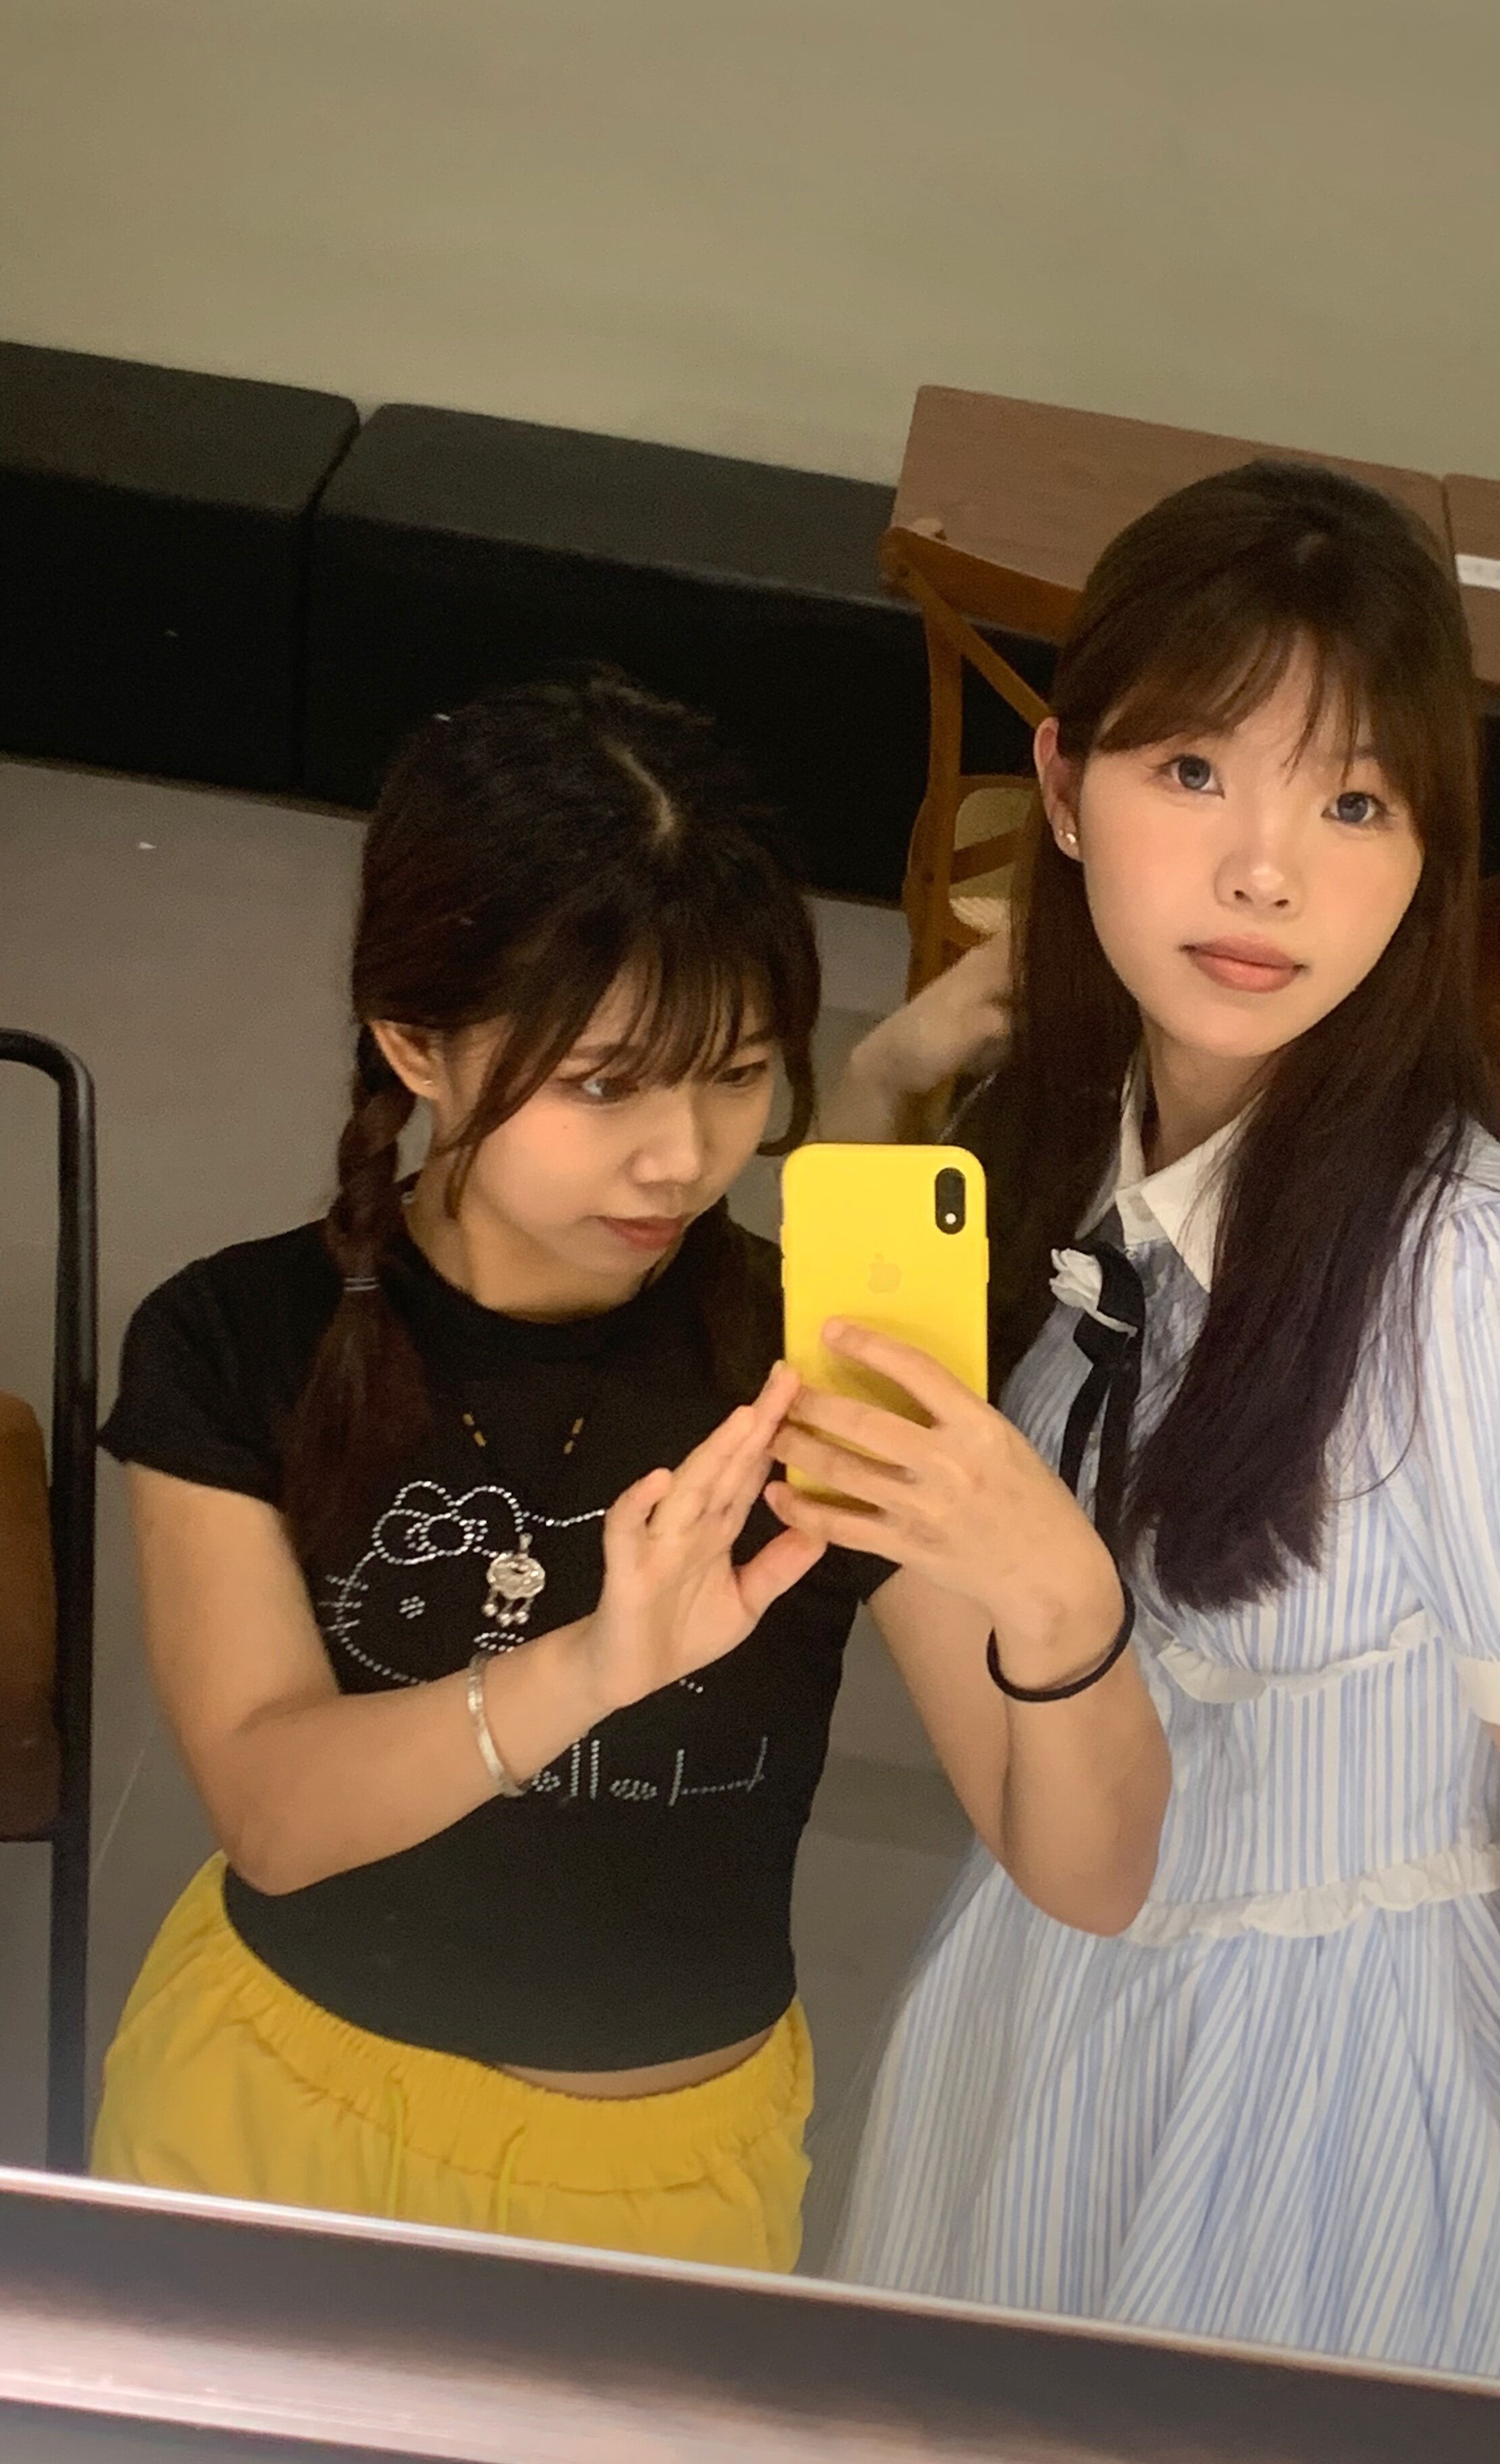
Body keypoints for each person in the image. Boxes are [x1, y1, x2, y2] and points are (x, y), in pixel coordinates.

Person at [95, 674, 1166, 2269]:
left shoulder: (814, 1366)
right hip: (265, 2107)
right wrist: (594, 1664)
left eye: (738, 1073)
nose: (683, 1156)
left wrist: (1064, 1596)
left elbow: (1090, 1877)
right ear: (416, 1040)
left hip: (657, 2195)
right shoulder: (234, 1337)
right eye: (605, 1084)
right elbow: (274, 1816)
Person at [822, 465, 1500, 2398]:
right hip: (1056, 1987)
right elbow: (877, 1420)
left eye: (1353, 802)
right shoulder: (1071, 1133)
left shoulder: (1478, 1293)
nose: (1265, 875)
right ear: (1064, 791)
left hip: (1335, 2061)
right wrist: (882, 1079)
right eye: (1196, 771)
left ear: (1428, 857)